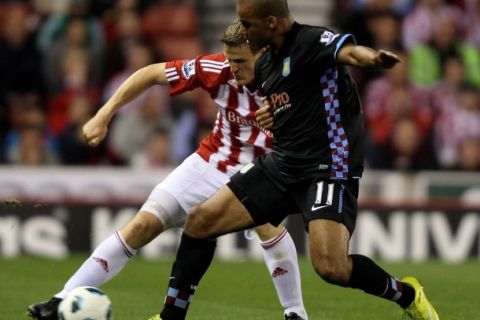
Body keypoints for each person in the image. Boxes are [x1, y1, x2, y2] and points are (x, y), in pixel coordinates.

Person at [151, 1, 440, 320]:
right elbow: (293, 100)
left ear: (271, 22)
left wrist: (372, 59)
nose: (244, 31)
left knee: (331, 267)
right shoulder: (264, 65)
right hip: (284, 163)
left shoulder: (312, 40)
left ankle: (408, 295)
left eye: (247, 24)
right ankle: (170, 317)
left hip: (328, 168)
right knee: (200, 220)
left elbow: (347, 53)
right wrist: (273, 114)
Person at [27, 20, 308, 320]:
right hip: (212, 161)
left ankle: (295, 312)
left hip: (263, 168)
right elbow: (149, 73)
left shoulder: (290, 79)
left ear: (262, 54)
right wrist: (103, 114)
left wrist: (285, 120)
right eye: (228, 59)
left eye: (240, 61)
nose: (232, 68)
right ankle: (62, 299)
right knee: (141, 225)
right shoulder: (216, 70)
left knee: (268, 226)